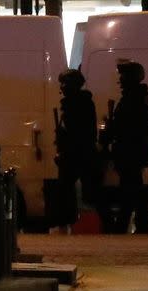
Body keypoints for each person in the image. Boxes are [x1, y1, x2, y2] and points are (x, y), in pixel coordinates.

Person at [110, 61, 148, 234]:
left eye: (123, 76)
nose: (120, 80)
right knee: (133, 186)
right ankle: (135, 223)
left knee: (131, 188)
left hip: (130, 151)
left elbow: (126, 126)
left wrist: (111, 131)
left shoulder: (133, 98)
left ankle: (130, 225)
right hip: (135, 150)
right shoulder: (140, 97)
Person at [53, 69, 97, 234]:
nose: (62, 87)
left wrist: (63, 144)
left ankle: (71, 223)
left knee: (68, 190)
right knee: (72, 190)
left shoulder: (75, 104)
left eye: (64, 83)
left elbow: (75, 132)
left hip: (75, 154)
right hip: (79, 153)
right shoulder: (81, 102)